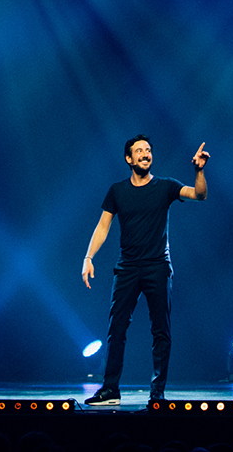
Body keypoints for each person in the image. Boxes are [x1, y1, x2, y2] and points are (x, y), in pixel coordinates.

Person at [82, 134, 210, 405]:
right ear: (129, 158)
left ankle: (157, 393)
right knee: (116, 328)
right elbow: (103, 226)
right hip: (127, 268)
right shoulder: (117, 191)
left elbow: (199, 194)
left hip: (157, 267)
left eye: (148, 150)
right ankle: (110, 390)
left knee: (160, 330)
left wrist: (198, 171)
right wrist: (88, 257)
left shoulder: (165, 186)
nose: (145, 154)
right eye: (139, 151)